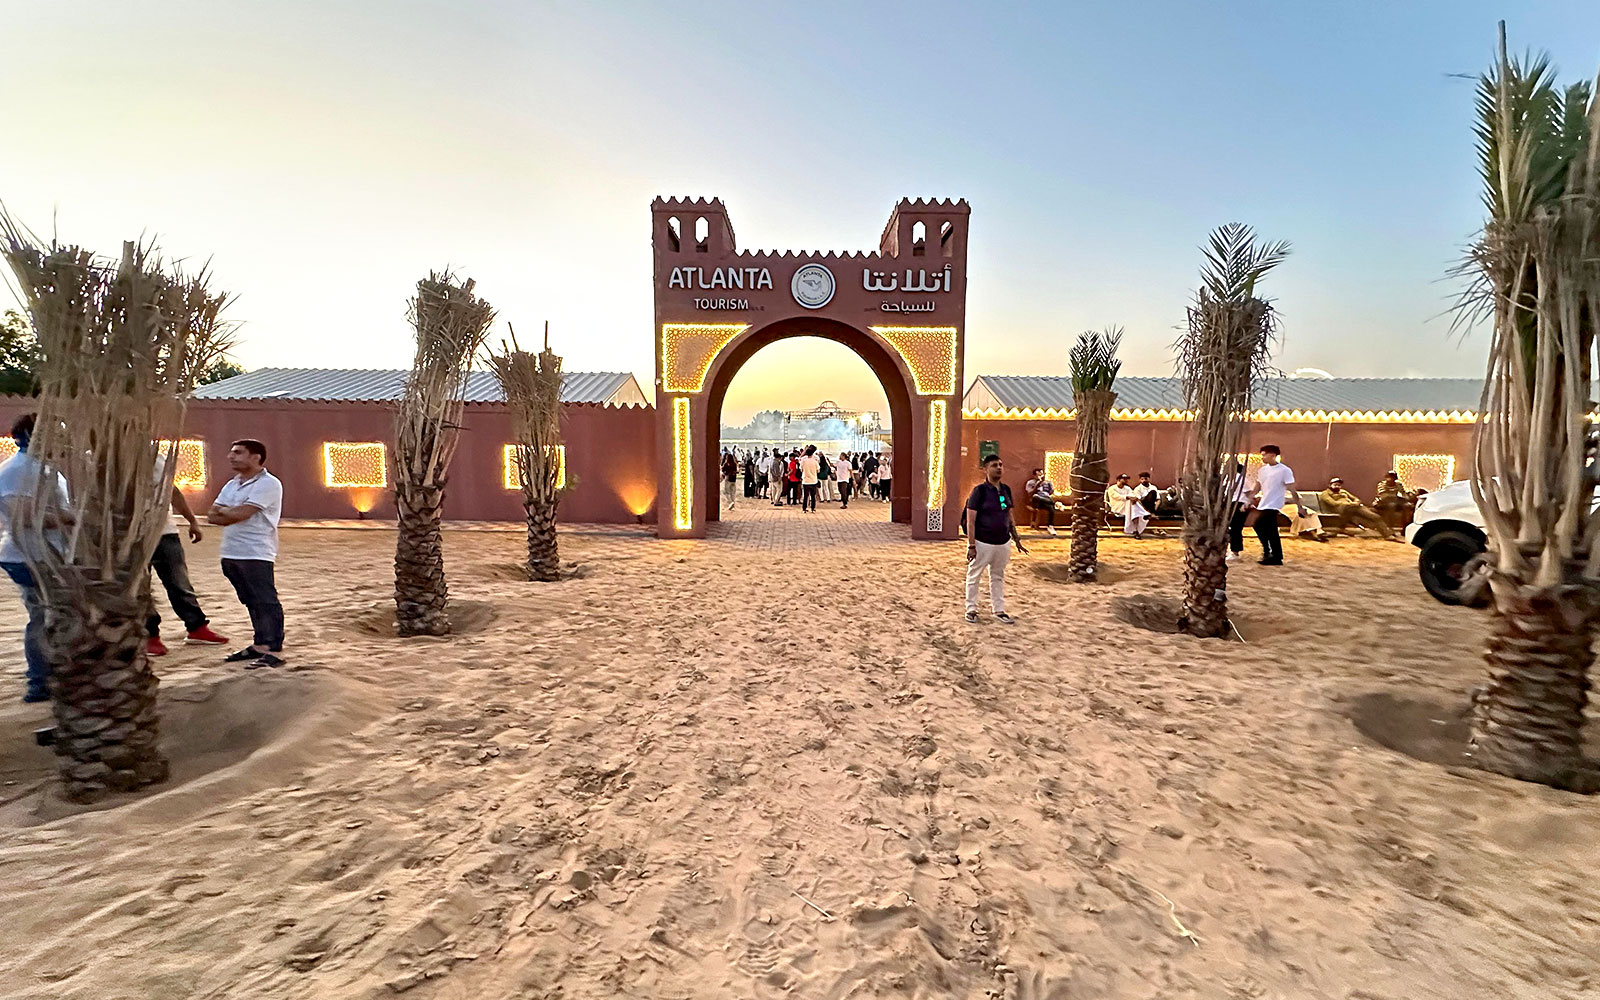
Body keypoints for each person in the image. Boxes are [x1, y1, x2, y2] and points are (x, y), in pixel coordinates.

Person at [0, 414, 69, 703]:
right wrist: (74, 519)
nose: (63, 439)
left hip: (45, 554)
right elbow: (24, 516)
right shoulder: (19, 470)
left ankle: (52, 676)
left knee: (52, 617)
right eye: (58, 433)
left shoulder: (40, 468)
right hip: (30, 556)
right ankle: (40, 682)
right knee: (43, 618)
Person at [207, 439, 285, 668]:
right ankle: (260, 644)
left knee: (266, 601)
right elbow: (212, 514)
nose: (231, 457)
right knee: (250, 600)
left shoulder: (269, 484)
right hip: (232, 552)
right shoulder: (232, 484)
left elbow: (243, 513)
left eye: (238, 453)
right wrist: (228, 513)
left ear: (256, 457)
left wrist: (228, 512)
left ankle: (275, 650)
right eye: (231, 452)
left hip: (256, 552)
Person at [146, 457, 230, 656]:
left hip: (165, 532)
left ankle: (197, 627)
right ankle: (149, 636)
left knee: (179, 582)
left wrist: (192, 521)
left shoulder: (156, 456)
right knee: (140, 588)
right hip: (128, 535)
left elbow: (172, 491)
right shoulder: (101, 455)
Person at [964, 453, 1026, 624]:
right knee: (974, 575)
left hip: (1003, 542)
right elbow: (971, 520)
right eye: (994, 465)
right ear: (985, 469)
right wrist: (971, 545)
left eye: (1000, 464)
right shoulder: (979, 491)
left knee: (998, 576)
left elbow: (1009, 514)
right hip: (982, 542)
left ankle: (999, 610)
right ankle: (971, 609)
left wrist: (1016, 538)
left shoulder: (1005, 490)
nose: (998, 468)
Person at [1251, 444, 1303, 566]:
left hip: (1274, 504)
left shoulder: (1284, 470)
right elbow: (1258, 486)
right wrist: (1249, 498)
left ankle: (1273, 554)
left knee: (1262, 526)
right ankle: (1271, 553)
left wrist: (1299, 506)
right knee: (1266, 528)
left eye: (1264, 455)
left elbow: (1292, 489)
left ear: (1273, 455)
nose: (1262, 457)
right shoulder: (1262, 470)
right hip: (1264, 503)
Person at [1318, 478, 1397, 540]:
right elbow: (1333, 503)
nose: (1337, 486)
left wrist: (1356, 502)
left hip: (1354, 508)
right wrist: (1352, 503)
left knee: (1375, 516)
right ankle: (1387, 534)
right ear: (1330, 485)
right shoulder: (1325, 493)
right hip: (1342, 509)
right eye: (1335, 484)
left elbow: (1355, 498)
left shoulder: (1343, 491)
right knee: (1364, 513)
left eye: (1339, 485)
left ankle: (1387, 534)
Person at [1106, 473, 1149, 538]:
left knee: (1133, 507)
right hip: (1117, 507)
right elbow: (1118, 497)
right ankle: (1143, 513)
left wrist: (1134, 498)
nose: (1126, 480)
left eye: (1127, 479)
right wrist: (1129, 498)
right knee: (1131, 504)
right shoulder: (1112, 488)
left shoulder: (1128, 488)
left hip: (1128, 507)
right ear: (1118, 480)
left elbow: (1132, 495)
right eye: (1124, 479)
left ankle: (1136, 530)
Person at [1226, 464, 1250, 563]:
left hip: (1238, 504)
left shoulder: (1241, 479)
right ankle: (1232, 549)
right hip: (1231, 504)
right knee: (1233, 528)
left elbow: (1249, 493)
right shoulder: (1229, 479)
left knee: (1236, 528)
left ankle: (1235, 552)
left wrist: (1246, 504)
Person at [1030, 469, 1060, 536]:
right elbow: (1030, 494)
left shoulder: (1047, 482)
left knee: (1051, 508)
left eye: (1041, 474)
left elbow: (1051, 492)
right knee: (1035, 496)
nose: (1040, 476)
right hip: (1037, 502)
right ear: (1034, 476)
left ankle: (1050, 526)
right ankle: (1054, 503)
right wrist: (1038, 484)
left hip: (1046, 501)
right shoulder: (1031, 482)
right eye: (1038, 475)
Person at [799, 445, 821, 513]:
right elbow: (818, 470)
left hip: (805, 480)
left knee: (805, 496)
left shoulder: (804, 460)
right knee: (813, 496)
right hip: (813, 480)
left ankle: (804, 509)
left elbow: (800, 469)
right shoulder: (815, 461)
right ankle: (813, 508)